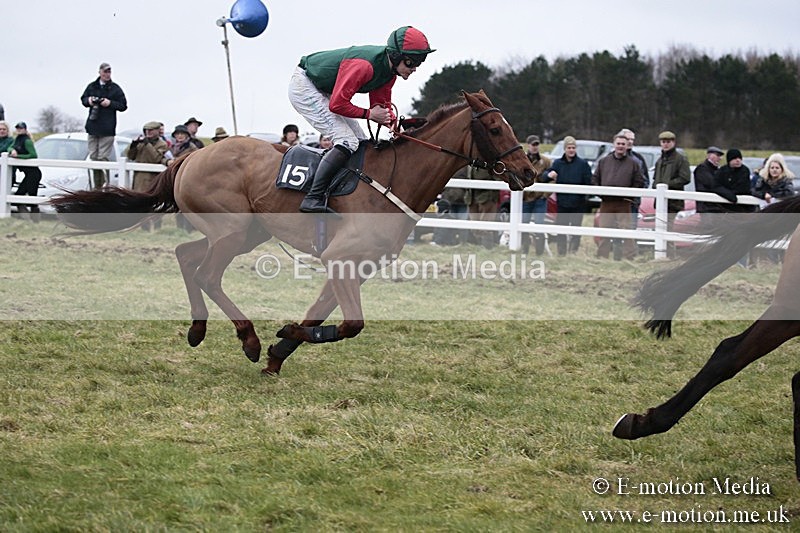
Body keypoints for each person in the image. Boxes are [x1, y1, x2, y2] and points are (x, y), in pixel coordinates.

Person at [289, 26, 434, 214]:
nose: (414, 69)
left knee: (361, 142)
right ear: (397, 56)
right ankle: (313, 197)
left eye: (418, 63)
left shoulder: (389, 74)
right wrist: (369, 115)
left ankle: (346, 195)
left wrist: (392, 122)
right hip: (305, 85)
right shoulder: (364, 66)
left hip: (325, 90)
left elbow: (380, 107)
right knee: (348, 141)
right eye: (411, 62)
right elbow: (337, 105)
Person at [592, 133, 645, 260]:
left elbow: (639, 182)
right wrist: (601, 194)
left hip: (624, 203)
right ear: (614, 145)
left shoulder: (633, 163)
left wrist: (629, 196)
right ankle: (602, 257)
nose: (620, 146)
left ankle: (629, 257)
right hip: (607, 203)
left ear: (627, 146)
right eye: (618, 143)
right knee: (604, 230)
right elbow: (595, 179)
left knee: (626, 231)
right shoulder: (604, 161)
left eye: (623, 144)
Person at [80, 62, 127, 189]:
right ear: (99, 72)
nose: (107, 74)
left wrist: (110, 103)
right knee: (94, 157)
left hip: (107, 129)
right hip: (93, 127)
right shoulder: (92, 86)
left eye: (109, 72)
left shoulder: (115, 88)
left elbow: (123, 105)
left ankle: (104, 185)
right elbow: (83, 99)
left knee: (102, 158)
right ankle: (96, 186)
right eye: (105, 71)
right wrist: (89, 101)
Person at [545, 136, 592, 255]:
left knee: (576, 229)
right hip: (562, 203)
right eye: (569, 147)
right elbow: (545, 176)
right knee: (561, 228)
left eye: (573, 147)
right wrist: (549, 175)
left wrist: (584, 198)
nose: (571, 150)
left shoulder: (583, 164)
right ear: (564, 149)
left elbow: (589, 182)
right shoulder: (558, 163)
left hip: (578, 203)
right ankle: (561, 252)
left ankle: (573, 252)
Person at [521, 135, 552, 255]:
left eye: (537, 144)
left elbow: (552, 178)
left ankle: (539, 252)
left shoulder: (546, 161)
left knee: (539, 226)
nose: (535, 147)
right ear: (528, 145)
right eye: (533, 144)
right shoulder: (522, 160)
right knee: (524, 225)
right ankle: (525, 249)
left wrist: (545, 194)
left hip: (540, 198)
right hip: (526, 198)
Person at [8, 122, 42, 221]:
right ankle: (27, 219)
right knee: (19, 196)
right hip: (28, 174)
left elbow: (33, 155)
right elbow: (10, 147)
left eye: (21, 128)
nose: (19, 130)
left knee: (31, 197)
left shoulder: (27, 141)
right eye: (18, 128)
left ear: (25, 129)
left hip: (33, 174)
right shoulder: (18, 139)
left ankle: (35, 220)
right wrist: (12, 151)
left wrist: (18, 157)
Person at [125, 121, 170, 192]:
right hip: (138, 177)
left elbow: (156, 158)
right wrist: (133, 145)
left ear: (158, 131)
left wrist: (147, 144)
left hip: (151, 177)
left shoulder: (162, 144)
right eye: (146, 130)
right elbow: (130, 156)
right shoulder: (140, 143)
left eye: (151, 130)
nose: (148, 132)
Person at [619, 128, 649, 229]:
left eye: (632, 139)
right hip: (616, 201)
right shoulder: (610, 159)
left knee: (631, 228)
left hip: (633, 202)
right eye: (628, 138)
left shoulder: (638, 159)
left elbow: (645, 180)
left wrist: (637, 191)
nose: (630, 141)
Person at [464, 165, 499, 249]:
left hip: (487, 195)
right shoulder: (471, 160)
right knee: (474, 225)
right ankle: (476, 247)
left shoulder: (491, 159)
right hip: (472, 196)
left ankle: (488, 248)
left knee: (486, 225)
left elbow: (498, 177)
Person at [712, 149, 757, 213]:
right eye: (735, 158)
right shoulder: (722, 171)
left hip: (743, 207)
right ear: (729, 160)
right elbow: (715, 186)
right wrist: (728, 194)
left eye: (739, 158)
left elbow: (743, 189)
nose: (738, 160)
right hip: (725, 207)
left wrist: (730, 193)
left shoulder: (745, 171)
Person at [694, 146, 725, 214]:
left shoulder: (717, 170)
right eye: (717, 155)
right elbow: (712, 184)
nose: (720, 158)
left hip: (716, 207)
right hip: (706, 207)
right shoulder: (702, 169)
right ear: (709, 155)